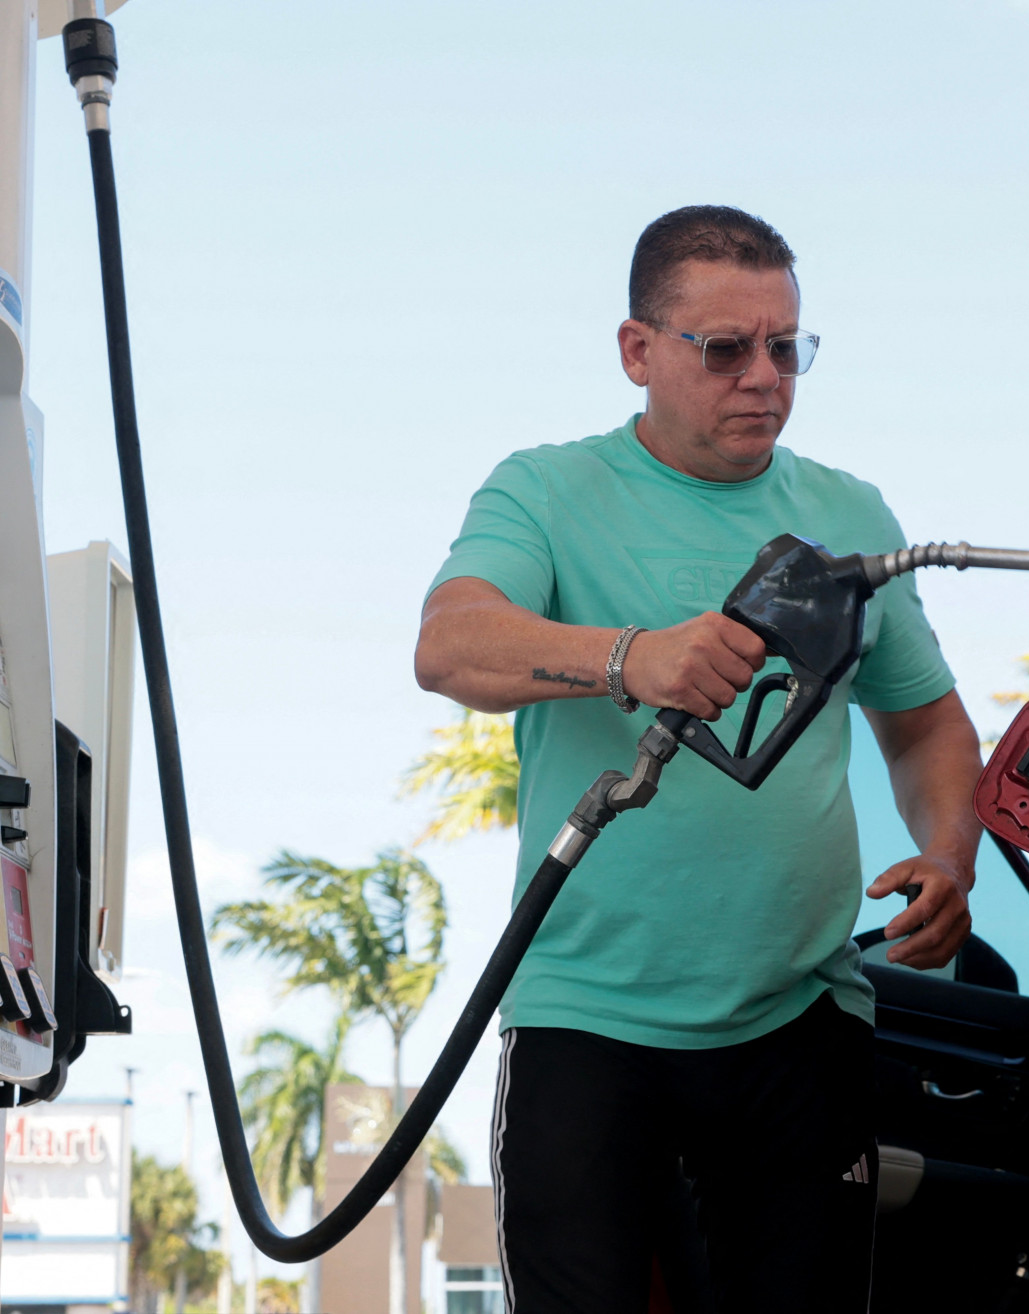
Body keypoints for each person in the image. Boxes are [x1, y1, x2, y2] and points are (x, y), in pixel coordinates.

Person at [414, 205, 984, 1312]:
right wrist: (631, 658)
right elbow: (449, 646)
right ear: (638, 351)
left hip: (800, 1018)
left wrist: (949, 855)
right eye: (725, 349)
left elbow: (925, 725)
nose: (764, 377)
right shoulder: (546, 491)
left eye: (786, 347)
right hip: (586, 1019)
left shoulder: (847, 514)